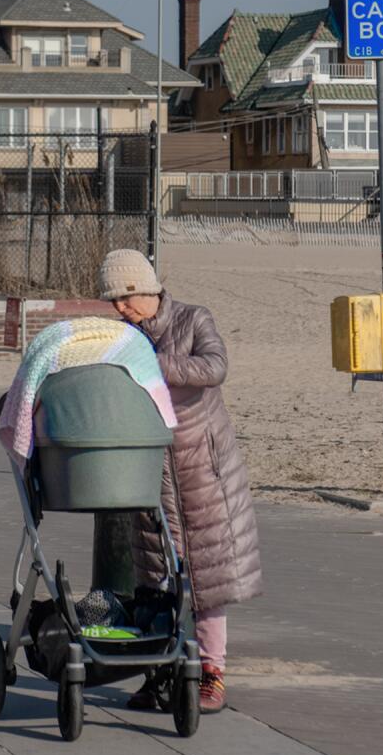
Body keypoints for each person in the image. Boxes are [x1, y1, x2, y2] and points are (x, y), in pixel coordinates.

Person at [99, 248, 262, 714]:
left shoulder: (194, 319)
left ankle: (211, 674)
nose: (119, 310)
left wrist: (154, 368)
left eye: (123, 300)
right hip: (147, 467)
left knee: (207, 579)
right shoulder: (121, 335)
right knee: (155, 578)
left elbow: (214, 368)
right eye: (113, 303)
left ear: (143, 290)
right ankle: (160, 674)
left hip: (202, 467)